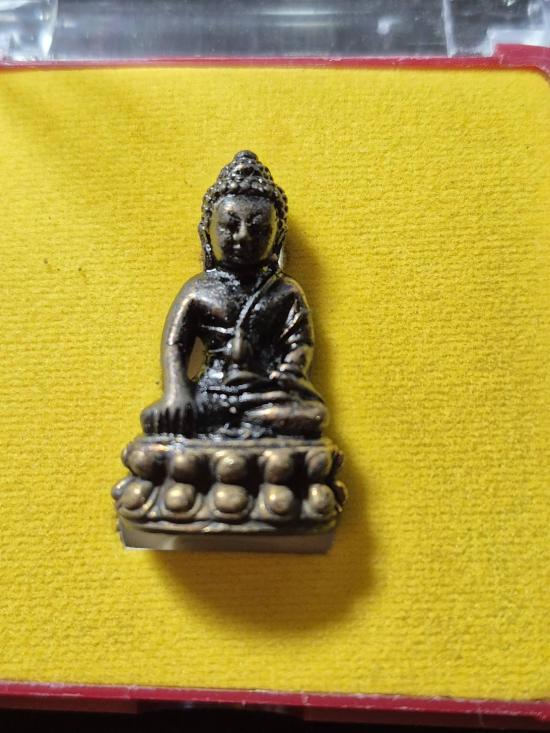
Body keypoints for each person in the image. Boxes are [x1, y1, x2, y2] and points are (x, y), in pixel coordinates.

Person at [141, 151, 327, 440]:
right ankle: (255, 445)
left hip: (265, 392)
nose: (243, 236)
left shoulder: (286, 292)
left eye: (257, 228)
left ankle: (241, 436)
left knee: (313, 416)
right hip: (211, 390)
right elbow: (174, 345)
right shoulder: (198, 290)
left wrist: (289, 370)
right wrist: (177, 391)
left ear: (278, 237)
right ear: (206, 234)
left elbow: (300, 342)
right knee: (157, 418)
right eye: (229, 226)